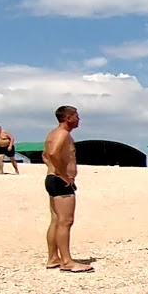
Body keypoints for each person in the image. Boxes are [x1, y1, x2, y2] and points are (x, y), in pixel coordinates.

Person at [43, 105, 91, 272]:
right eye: (76, 116)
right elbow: (53, 153)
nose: (79, 119)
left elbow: (45, 155)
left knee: (56, 220)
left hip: (53, 178)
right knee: (66, 221)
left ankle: (53, 258)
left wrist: (54, 170)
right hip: (60, 181)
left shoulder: (54, 134)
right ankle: (67, 261)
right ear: (67, 118)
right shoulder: (62, 134)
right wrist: (63, 174)